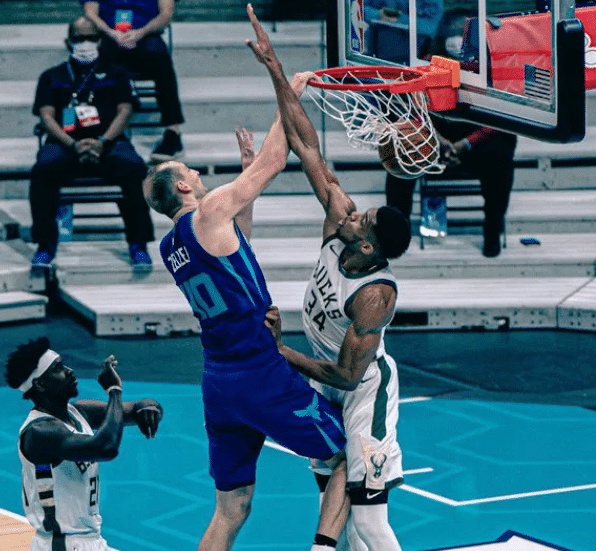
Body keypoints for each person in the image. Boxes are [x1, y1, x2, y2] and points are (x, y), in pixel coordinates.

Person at [142, 103, 349, 549]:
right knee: (351, 456)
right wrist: (286, 95)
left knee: (231, 508)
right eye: (190, 171)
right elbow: (274, 163)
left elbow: (237, 244)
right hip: (260, 373)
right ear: (182, 187)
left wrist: (244, 178)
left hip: (219, 382)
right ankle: (324, 547)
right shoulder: (208, 212)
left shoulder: (171, 245)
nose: (197, 173)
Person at [246, 5, 410, 550]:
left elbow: (345, 373)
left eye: (362, 221)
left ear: (367, 247)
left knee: (368, 520)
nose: (353, 212)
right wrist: (276, 70)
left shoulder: (374, 295)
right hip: (323, 380)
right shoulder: (340, 220)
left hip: (362, 390)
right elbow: (307, 146)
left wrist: (281, 352)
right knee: (333, 509)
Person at [5, 336, 163, 551]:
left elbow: (134, 409)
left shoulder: (78, 413)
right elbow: (106, 447)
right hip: (62, 544)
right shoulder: (40, 431)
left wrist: (149, 407)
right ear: (40, 384)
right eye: (58, 369)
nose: (69, 371)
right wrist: (114, 390)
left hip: (88, 540)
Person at [385, 9, 518, 258]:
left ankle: (493, 227)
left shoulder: (492, 67)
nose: (458, 39)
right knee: (400, 152)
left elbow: (500, 118)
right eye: (454, 32)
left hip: (475, 147)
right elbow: (410, 111)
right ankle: (396, 233)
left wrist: (465, 144)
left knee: (502, 151)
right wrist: (436, 141)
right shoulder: (423, 64)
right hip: (432, 143)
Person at [30, 16, 155, 269]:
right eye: (79, 38)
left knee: (134, 168)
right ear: (68, 42)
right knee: (43, 170)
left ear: (99, 41)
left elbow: (125, 112)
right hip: (65, 145)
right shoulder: (51, 77)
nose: (85, 43)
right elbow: (46, 117)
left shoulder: (117, 74)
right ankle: (45, 246)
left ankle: (138, 244)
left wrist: (102, 141)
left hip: (109, 143)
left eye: (91, 38)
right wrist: (72, 144)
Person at [81, 0, 185, 160]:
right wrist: (111, 33)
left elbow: (166, 14)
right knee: (96, 60)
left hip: (147, 35)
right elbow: (90, 13)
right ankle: (99, 130)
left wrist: (140, 33)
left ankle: (173, 132)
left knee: (160, 58)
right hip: (110, 36)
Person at [364, 0, 443, 60]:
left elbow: (430, 26)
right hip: (371, 53)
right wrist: (378, 15)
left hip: (409, 60)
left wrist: (400, 19)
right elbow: (359, 9)